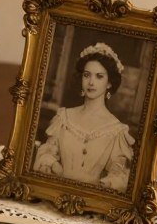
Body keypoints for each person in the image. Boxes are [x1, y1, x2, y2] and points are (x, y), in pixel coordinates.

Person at [32, 42, 135, 192]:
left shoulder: (117, 131)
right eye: (87, 75)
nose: (91, 82)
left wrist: (104, 185)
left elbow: (118, 175)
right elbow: (47, 153)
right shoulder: (63, 118)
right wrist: (54, 166)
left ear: (109, 83)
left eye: (99, 76)